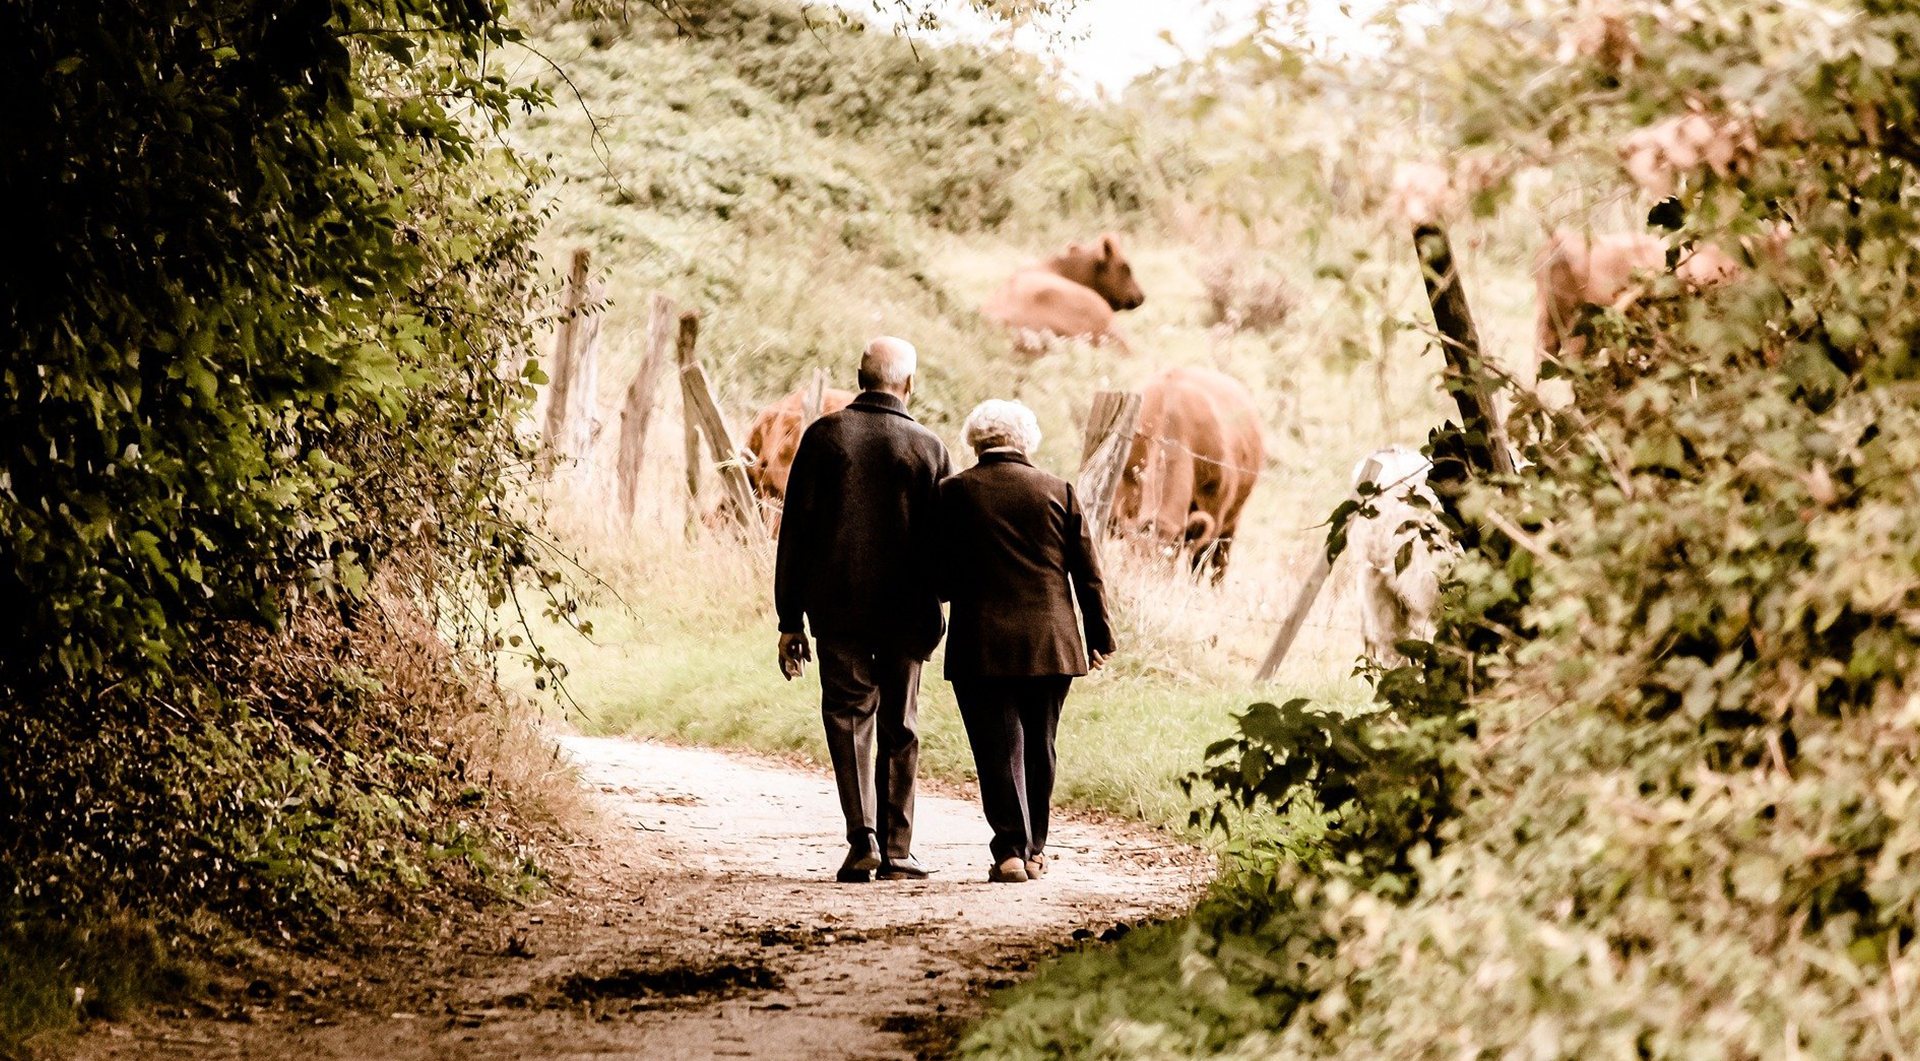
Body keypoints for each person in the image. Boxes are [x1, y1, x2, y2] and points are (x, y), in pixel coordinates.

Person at [774, 337, 953, 883]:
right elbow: (944, 543)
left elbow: (795, 534)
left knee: (849, 718)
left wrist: (790, 620)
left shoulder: (825, 437)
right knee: (900, 722)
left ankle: (863, 840)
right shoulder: (929, 447)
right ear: (910, 384)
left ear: (859, 377)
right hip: (908, 611)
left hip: (838, 608)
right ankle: (899, 850)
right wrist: (939, 599)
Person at [937, 400, 1114, 883]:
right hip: (1052, 641)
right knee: (1040, 744)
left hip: (981, 642)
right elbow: (1089, 574)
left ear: (975, 440)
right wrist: (1098, 635)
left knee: (997, 747)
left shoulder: (952, 493)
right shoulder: (1058, 490)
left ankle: (1010, 851)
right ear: (1027, 440)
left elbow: (940, 576)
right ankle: (1035, 849)